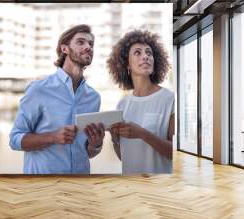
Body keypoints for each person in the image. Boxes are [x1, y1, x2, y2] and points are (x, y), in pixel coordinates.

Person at [9, 24, 105, 174]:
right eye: (81, 42)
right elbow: (14, 140)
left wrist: (96, 144)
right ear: (64, 49)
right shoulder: (39, 89)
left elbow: (87, 152)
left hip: (80, 188)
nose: (88, 47)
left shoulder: (93, 98)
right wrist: (52, 137)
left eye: (91, 44)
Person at [106, 30, 174, 174]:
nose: (145, 57)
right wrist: (114, 138)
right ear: (127, 65)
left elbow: (176, 153)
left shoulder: (170, 100)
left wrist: (142, 133)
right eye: (137, 53)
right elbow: (122, 157)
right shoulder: (122, 105)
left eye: (149, 53)